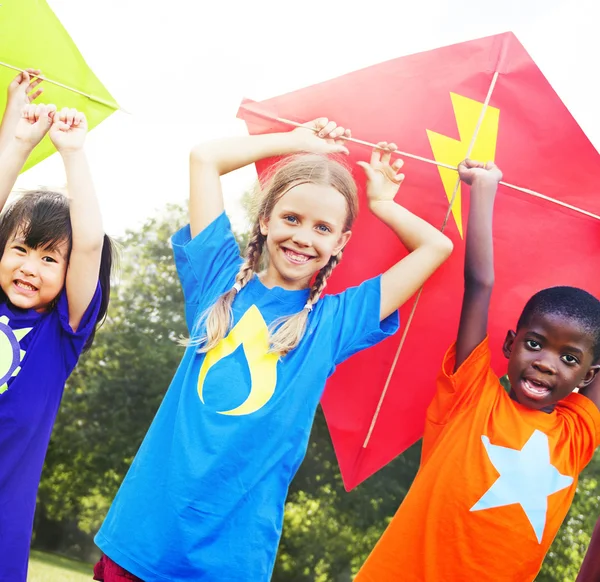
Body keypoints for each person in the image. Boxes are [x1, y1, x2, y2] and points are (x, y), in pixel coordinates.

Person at [93, 119, 453, 581]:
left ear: (340, 243)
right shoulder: (216, 281)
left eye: (323, 228)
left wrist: (381, 203)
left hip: (230, 564)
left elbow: (435, 245)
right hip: (142, 538)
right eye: (291, 218)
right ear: (265, 219)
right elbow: (205, 159)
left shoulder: (333, 324)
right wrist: (298, 144)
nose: (303, 237)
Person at [354, 159, 600, 582]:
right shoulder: (470, 394)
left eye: (569, 359)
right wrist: (483, 189)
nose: (545, 362)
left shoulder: (577, 434)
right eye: (535, 344)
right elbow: (479, 284)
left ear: (588, 378)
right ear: (509, 344)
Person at [0, 79, 113, 582]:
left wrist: (72, 154)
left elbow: (88, 244)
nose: (30, 266)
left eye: (50, 259)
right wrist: (19, 140)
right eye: (20, 249)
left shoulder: (60, 335)